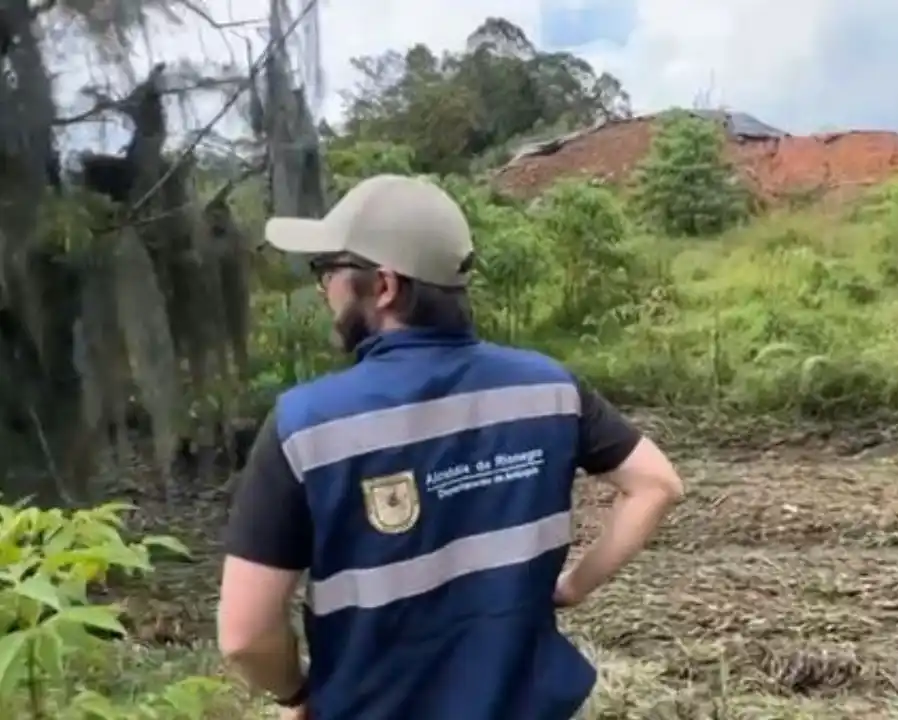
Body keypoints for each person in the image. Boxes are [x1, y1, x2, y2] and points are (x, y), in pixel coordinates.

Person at [216, 174, 684, 720]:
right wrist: (573, 587)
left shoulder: (305, 424)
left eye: (329, 271)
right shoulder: (550, 388)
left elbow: (244, 635)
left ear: (384, 286)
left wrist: (296, 694)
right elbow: (656, 484)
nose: (325, 290)